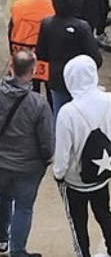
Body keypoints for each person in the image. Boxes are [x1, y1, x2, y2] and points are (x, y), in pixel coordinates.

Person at [53, 55, 111, 257]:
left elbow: (62, 154)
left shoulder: (67, 113)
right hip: (102, 176)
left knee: (78, 222)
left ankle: (83, 254)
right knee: (105, 214)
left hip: (75, 181)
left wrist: (58, 174)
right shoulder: (110, 100)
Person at [0, 49, 54, 257]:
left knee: (3, 199)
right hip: (28, 167)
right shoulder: (38, 104)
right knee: (23, 208)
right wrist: (47, 159)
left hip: (2, 162)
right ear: (32, 71)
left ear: (12, 68)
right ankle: (18, 251)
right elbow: (46, 141)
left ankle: (2, 241)